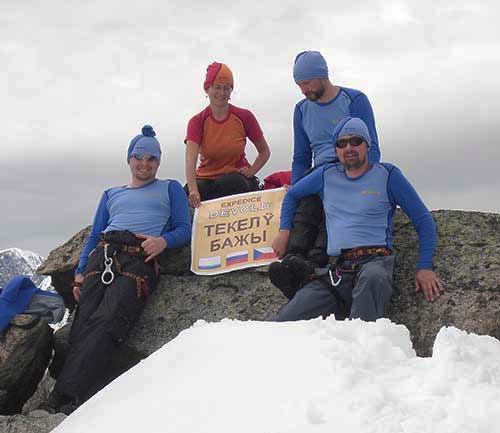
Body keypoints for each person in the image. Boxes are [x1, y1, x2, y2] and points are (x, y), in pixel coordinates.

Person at [43, 125, 191, 414]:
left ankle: (65, 397)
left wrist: (163, 241)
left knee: (109, 320)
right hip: (103, 255)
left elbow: (184, 229)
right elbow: (95, 234)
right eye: (139, 157)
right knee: (83, 322)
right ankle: (70, 395)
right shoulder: (111, 194)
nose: (145, 164)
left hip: (139, 259)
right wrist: (80, 272)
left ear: (158, 163)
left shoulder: (170, 187)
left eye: (151, 159)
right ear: (129, 159)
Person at [272, 117, 443, 322]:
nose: (349, 148)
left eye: (355, 141)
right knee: (282, 322)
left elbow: (423, 221)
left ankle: (363, 341)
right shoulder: (326, 174)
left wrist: (425, 268)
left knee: (370, 290)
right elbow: (292, 195)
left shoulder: (388, 175)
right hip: (336, 269)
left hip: (375, 262)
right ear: (335, 150)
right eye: (341, 143)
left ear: (367, 145)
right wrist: (284, 232)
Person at [269, 50, 381, 297]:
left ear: (322, 76)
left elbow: (372, 148)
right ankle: (292, 261)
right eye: (299, 84)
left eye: (307, 82)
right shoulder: (301, 110)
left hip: (348, 168)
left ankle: (314, 265)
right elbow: (300, 157)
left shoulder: (354, 100)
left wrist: (363, 181)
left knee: (331, 208)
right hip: (317, 171)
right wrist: (296, 188)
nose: (303, 89)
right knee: (306, 207)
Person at [185, 62, 271, 208]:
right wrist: (193, 190)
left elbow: (264, 152)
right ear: (207, 89)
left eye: (227, 88)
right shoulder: (197, 121)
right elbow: (190, 160)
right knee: (187, 193)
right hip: (206, 177)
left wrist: (252, 170)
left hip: (235, 177)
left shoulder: (244, 116)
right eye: (217, 87)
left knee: (231, 183)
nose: (222, 93)